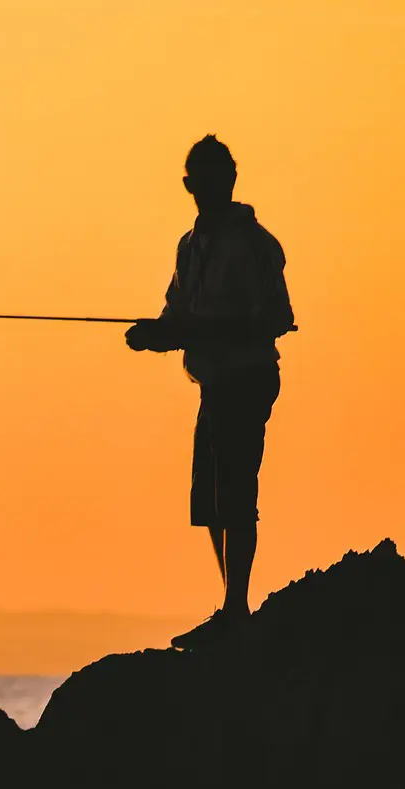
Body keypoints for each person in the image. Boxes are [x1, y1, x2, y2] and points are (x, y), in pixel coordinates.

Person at [126, 134, 295, 651]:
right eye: (200, 181)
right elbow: (177, 315)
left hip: (247, 379)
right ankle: (231, 606)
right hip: (213, 384)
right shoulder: (189, 247)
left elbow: (279, 317)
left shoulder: (256, 243)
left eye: (216, 179)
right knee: (211, 499)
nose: (207, 189)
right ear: (189, 186)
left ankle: (235, 611)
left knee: (236, 492)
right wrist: (154, 336)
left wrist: (206, 331)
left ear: (230, 182)